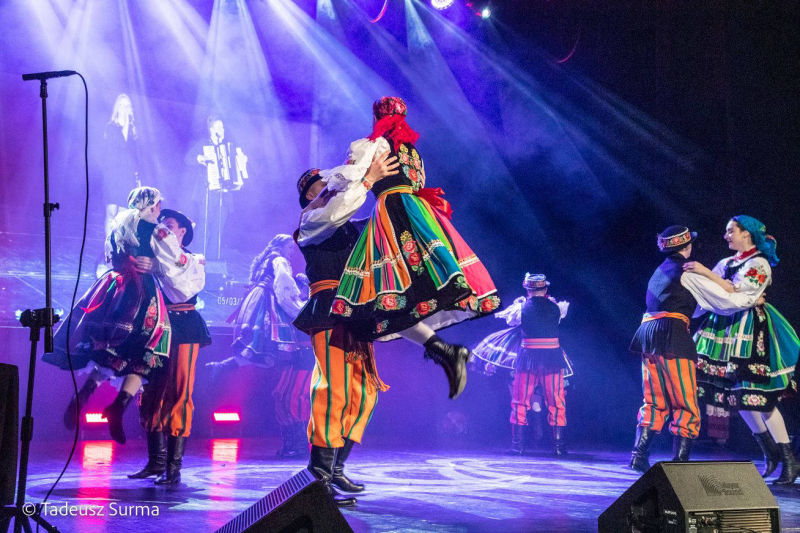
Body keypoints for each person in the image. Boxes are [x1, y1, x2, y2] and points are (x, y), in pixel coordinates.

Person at [320, 96, 500, 399]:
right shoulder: (412, 152)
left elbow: (349, 179)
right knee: (402, 295)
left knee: (387, 295)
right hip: (419, 212)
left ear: (375, 117)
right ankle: (445, 351)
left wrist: (327, 182)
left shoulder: (371, 145)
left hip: (393, 211)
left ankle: (444, 351)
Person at [45, 187, 204, 444]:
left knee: (112, 349)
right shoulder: (158, 231)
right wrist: (162, 264)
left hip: (114, 290)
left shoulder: (119, 226)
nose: (160, 212)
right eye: (159, 206)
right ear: (153, 206)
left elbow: (111, 258)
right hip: (142, 293)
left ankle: (85, 395)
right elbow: (175, 261)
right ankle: (119, 405)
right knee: (145, 352)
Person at [293, 149, 398, 507]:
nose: (331, 186)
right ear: (310, 196)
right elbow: (336, 210)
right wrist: (366, 180)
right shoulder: (311, 221)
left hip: (356, 310)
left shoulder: (351, 225)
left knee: (365, 393)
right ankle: (319, 476)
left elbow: (381, 223)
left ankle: (336, 468)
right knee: (334, 389)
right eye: (321, 186)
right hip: (329, 309)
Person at [681, 216, 799, 484]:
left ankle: (789, 459)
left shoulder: (759, 264)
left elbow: (742, 298)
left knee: (761, 397)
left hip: (751, 331)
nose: (726, 236)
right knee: (738, 397)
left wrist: (708, 275)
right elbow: (714, 294)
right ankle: (770, 452)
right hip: (724, 331)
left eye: (731, 231)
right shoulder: (726, 263)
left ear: (747, 233)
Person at [206, 234, 313, 457]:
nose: (291, 252)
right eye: (289, 248)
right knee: (271, 347)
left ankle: (297, 445)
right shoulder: (279, 261)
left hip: (264, 305)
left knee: (264, 350)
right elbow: (285, 290)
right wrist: (299, 310)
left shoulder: (264, 260)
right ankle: (296, 445)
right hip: (272, 303)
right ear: (281, 246)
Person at [131, 209, 211, 486]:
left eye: (169, 225)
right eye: (161, 223)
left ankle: (173, 468)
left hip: (184, 326)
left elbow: (181, 290)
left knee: (179, 392)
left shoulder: (192, 260)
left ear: (182, 232)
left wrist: (155, 267)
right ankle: (156, 462)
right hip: (156, 327)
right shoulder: (152, 257)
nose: (162, 228)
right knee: (150, 391)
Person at [628, 226, 702, 473]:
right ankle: (680, 462)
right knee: (685, 398)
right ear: (687, 246)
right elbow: (717, 300)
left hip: (649, 332)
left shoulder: (659, 271)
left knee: (654, 398)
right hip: (672, 333)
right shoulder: (688, 270)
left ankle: (638, 455)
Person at [472, 273, 571, 456]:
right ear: (545, 290)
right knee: (556, 401)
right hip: (552, 357)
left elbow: (512, 321)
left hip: (527, 358)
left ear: (528, 290)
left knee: (520, 400)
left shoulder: (521, 307)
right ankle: (559, 447)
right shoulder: (557, 307)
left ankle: (518, 446)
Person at [195, 115, 249, 260]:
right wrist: (200, 158)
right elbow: (188, 158)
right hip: (207, 194)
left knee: (218, 229)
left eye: (223, 127)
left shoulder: (229, 147)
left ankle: (213, 260)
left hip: (224, 195)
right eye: (218, 127)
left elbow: (237, 164)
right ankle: (198, 258)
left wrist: (242, 162)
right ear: (211, 129)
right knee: (204, 226)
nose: (222, 130)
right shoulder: (203, 144)